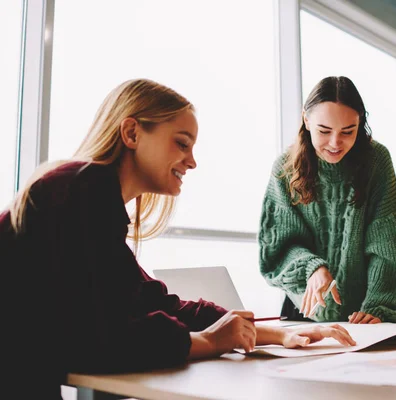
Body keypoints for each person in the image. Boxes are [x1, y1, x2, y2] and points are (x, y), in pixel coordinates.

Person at [0, 79, 355, 399]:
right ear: (132, 133)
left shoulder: (89, 194)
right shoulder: (84, 187)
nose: (193, 162)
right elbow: (103, 336)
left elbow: (154, 303)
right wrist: (210, 342)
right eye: (181, 143)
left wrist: (273, 335)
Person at [258, 76, 396, 324]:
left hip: (366, 311)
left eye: (348, 131)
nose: (335, 143)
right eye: (324, 131)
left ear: (361, 124)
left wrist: (379, 306)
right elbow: (277, 248)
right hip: (303, 310)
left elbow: (389, 243)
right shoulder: (285, 168)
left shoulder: (376, 161)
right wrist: (312, 267)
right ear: (306, 120)